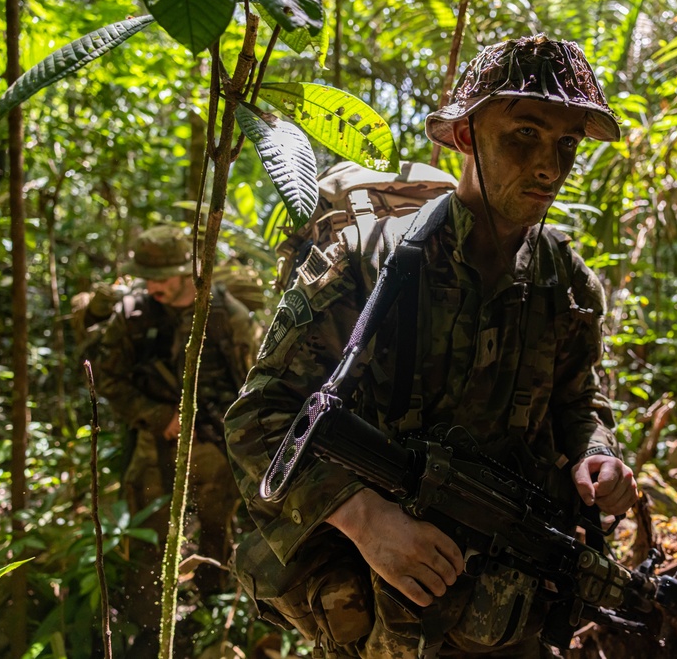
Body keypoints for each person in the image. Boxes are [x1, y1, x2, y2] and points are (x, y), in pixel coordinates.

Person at [225, 35, 639, 657]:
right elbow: (260, 421)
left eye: (566, 145)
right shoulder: (370, 259)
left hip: (504, 608)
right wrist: (367, 520)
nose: (550, 166)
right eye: (524, 134)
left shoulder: (567, 283)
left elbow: (579, 404)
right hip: (381, 601)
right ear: (468, 136)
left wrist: (596, 457)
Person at [92, 224, 261, 656]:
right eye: (145, 275)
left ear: (187, 272)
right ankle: (148, 629)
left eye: (161, 275)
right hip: (154, 443)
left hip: (212, 447)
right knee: (148, 533)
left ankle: (207, 623)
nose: (151, 285)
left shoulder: (229, 317)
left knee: (213, 533)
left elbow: (258, 386)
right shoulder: (131, 315)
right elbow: (106, 377)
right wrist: (156, 415)